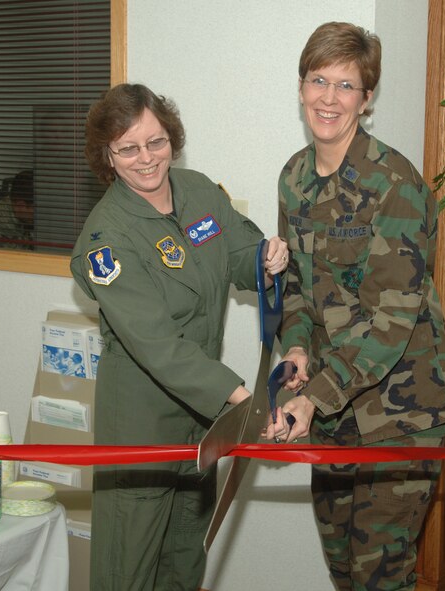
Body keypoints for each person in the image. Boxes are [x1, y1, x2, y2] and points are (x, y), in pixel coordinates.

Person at [265, 22, 445, 591]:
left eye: (346, 85)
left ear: (366, 97)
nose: (329, 98)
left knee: (380, 575)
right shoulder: (293, 179)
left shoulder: (393, 183)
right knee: (342, 568)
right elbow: (298, 288)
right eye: (318, 80)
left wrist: (313, 400)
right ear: (301, 86)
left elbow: (392, 322)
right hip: (331, 409)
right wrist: (298, 350)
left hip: (401, 412)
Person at [70, 83, 288, 591]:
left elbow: (236, 255)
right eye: (128, 148)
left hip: (200, 420)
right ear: (107, 155)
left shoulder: (199, 192)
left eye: (156, 141)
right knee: (129, 568)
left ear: (172, 137)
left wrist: (265, 260)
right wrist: (241, 401)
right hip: (142, 426)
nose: (146, 159)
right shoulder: (106, 240)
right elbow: (158, 346)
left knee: (187, 557)